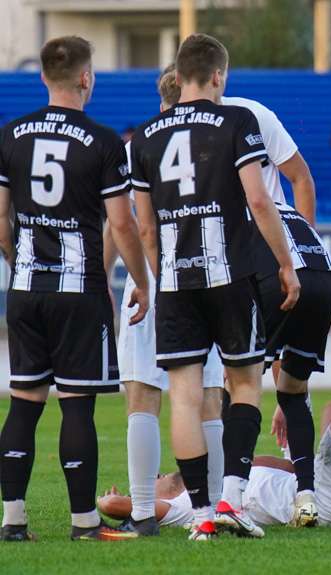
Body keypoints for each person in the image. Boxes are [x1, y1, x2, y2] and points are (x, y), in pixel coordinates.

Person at [131, 34, 300, 541]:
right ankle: (232, 499)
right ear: (219, 77)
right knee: (243, 383)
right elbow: (260, 201)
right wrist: (286, 265)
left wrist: (162, 275)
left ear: (177, 77)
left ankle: (201, 514)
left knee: (182, 396)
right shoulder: (236, 121)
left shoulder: (143, 136)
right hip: (230, 274)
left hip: (176, 281)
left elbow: (143, 226)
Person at [0, 35, 151, 542]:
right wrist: (142, 282)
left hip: (23, 288)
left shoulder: (10, 134)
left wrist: (17, 260)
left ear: (43, 76)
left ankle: (13, 522)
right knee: (77, 403)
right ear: (87, 78)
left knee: (23, 402)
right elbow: (123, 226)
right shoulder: (105, 140)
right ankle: (84, 523)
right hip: (78, 290)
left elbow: (1, 218)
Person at [106, 64, 227, 538]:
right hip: (212, 280)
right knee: (209, 399)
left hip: (154, 280)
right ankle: (214, 508)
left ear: (162, 101)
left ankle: (141, 511)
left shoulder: (140, 145)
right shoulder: (221, 138)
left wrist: (117, 279)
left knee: (143, 395)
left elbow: (125, 224)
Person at [218, 79, 331, 529]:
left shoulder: (190, 129)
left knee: (235, 383)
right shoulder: (254, 111)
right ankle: (306, 498)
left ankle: (226, 498)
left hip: (263, 253)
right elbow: (299, 177)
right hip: (316, 261)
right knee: (292, 390)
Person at [98, 388, 331, 529]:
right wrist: (109, 501)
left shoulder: (227, 476)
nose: (159, 474)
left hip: (327, 494)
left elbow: (291, 472)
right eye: (157, 477)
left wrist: (292, 449)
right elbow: (119, 506)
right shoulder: (190, 503)